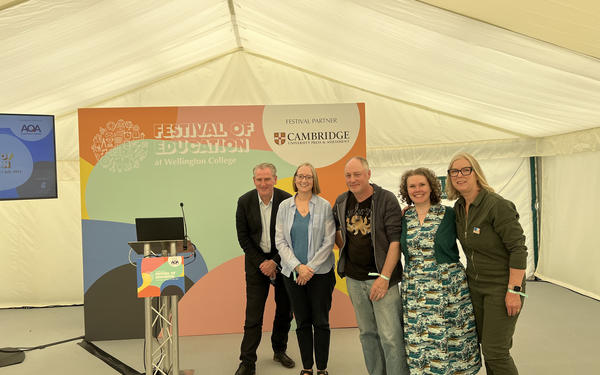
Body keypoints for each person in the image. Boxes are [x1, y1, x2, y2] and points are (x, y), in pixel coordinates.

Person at [446, 152, 528, 375]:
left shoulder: (496, 205)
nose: (460, 175)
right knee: (488, 347)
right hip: (475, 287)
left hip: (502, 286)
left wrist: (514, 290)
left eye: (465, 170)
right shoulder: (459, 208)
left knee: (496, 351)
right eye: (454, 171)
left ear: (476, 172)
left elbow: (518, 249)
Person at [398, 167, 481, 375]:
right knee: (421, 342)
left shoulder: (450, 213)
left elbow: (474, 240)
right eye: (412, 186)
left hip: (448, 286)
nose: (417, 190)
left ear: (432, 186)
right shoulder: (404, 218)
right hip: (416, 288)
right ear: (406, 190)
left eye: (422, 185)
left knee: (454, 338)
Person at [333, 156, 409, 375]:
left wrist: (384, 278)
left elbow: (395, 241)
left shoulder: (385, 199)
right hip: (354, 279)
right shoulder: (340, 201)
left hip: (382, 278)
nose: (352, 179)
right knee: (367, 334)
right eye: (348, 175)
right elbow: (337, 233)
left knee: (391, 336)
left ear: (368, 174)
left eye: (357, 174)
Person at [234, 163, 295, 375]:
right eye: (259, 179)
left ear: (275, 179)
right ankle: (247, 362)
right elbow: (243, 238)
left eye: (267, 179)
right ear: (254, 181)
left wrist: (275, 262)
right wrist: (262, 262)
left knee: (285, 311)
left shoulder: (287, 201)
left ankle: (279, 350)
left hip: (284, 262)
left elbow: (291, 236)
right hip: (255, 263)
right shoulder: (244, 202)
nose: (263, 183)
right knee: (253, 315)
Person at [275, 162, 336, 375]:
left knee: (321, 321)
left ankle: (322, 368)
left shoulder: (325, 206)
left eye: (308, 177)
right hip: (293, 274)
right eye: (300, 176)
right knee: (301, 322)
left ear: (314, 181)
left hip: (320, 274)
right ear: (294, 179)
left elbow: (329, 242)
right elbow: (280, 241)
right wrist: (298, 267)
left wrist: (309, 268)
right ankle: (307, 368)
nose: (304, 180)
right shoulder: (284, 206)